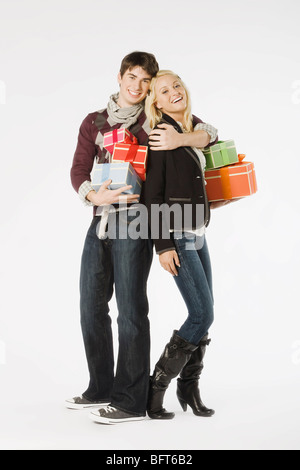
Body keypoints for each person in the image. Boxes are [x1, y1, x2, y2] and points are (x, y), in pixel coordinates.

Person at [68, 53, 217, 425]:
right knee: (91, 307)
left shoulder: (152, 118)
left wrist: (181, 136)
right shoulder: (94, 122)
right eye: (131, 77)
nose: (136, 86)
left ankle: (131, 400)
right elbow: (77, 169)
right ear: (119, 77)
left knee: (131, 311)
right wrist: (92, 194)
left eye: (145, 81)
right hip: (100, 219)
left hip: (136, 221)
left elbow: (208, 133)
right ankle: (100, 388)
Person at [143, 70, 223, 420]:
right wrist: (163, 246)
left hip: (198, 234)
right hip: (177, 236)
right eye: (164, 90)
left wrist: (185, 140)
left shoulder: (188, 130)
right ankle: (156, 387)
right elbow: (152, 197)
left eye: (177, 84)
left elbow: (210, 135)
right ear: (156, 103)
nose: (174, 91)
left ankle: (189, 388)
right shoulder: (161, 136)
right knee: (202, 313)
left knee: (204, 317)